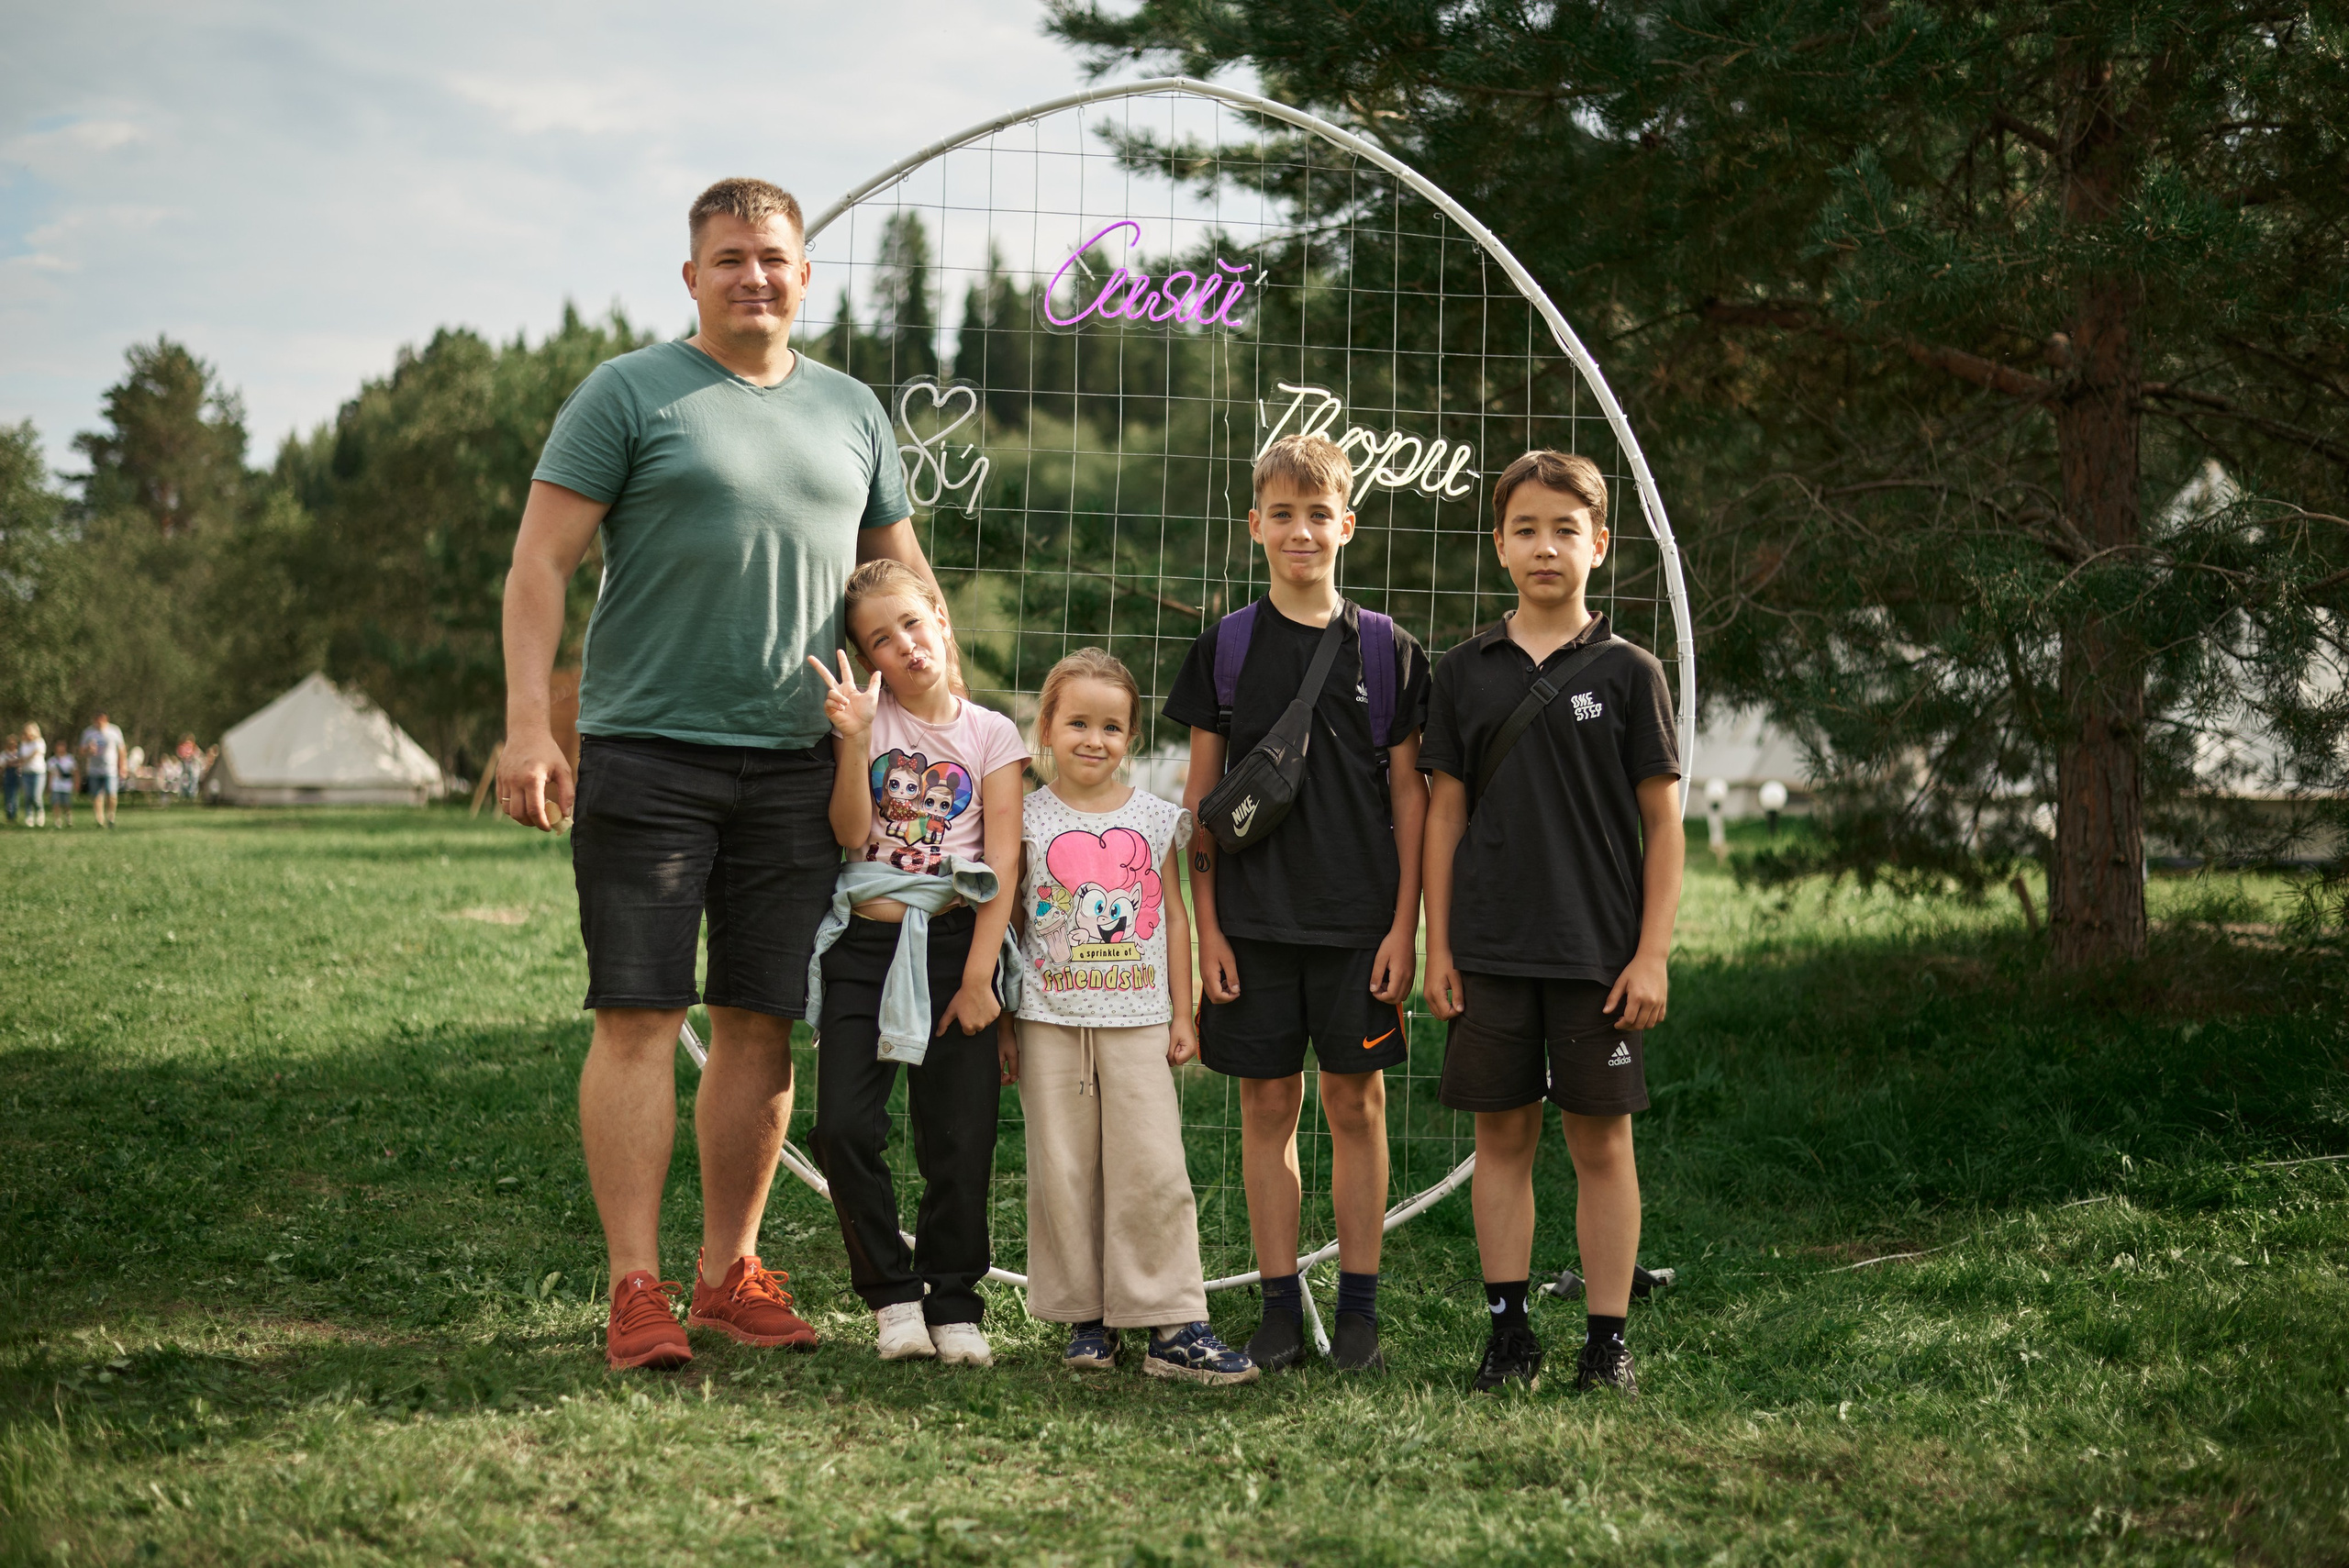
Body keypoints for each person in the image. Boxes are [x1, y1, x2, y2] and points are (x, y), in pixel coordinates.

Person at [498, 176, 937, 1372]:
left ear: (804, 275)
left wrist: (934, 736)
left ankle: (725, 1274)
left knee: (761, 1023)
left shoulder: (852, 413)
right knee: (639, 1013)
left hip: (803, 765)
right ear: (693, 276)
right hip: (648, 755)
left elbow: (908, 592)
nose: (756, 275)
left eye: (775, 258)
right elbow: (540, 564)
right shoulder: (630, 392)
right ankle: (635, 1287)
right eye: (732, 258)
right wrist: (531, 725)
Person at [1165, 432, 1431, 1373]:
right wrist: (1206, 937)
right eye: (1282, 514)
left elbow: (1410, 796)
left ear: (1346, 525)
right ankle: (1281, 1307)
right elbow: (1201, 813)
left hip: (1360, 926)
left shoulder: (1386, 650)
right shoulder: (1225, 651)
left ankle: (1357, 1308)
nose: (1301, 531)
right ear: (1254, 527)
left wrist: (1405, 926)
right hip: (1253, 926)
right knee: (1267, 1107)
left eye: (1318, 514)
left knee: (1356, 1105)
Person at [1419, 450, 1684, 1398]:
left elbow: (1663, 823)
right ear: (1499, 545)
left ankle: (1605, 1340)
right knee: (1501, 1137)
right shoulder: (1462, 673)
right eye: (1526, 528)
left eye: (1566, 529)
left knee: (1601, 1143)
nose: (1545, 546)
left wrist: (1650, 953)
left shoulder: (1629, 671)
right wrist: (1435, 945)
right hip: (1487, 947)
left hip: (1596, 954)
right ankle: (1508, 1330)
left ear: (1600, 545)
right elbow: (1443, 814)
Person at [1003, 648, 1257, 1385]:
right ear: (1046, 726)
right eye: (1077, 721)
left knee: (1152, 1169)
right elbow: (1015, 919)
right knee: (1064, 1170)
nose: (1094, 739)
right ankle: (1088, 1319)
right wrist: (1005, 1022)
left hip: (1140, 1019)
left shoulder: (1154, 819)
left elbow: (1175, 918)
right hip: (1049, 1022)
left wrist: (1185, 1012)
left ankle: (1172, 1322)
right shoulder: (1024, 815)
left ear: (1132, 738)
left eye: (1112, 726)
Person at [801, 561, 1025, 1366]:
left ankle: (955, 1298)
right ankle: (893, 1295)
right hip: (866, 949)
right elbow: (851, 833)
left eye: (911, 624)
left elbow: (1002, 862)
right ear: (868, 657)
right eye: (879, 641)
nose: (903, 646)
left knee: (959, 1138)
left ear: (941, 617)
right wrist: (854, 739)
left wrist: (979, 977)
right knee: (841, 1126)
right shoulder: (871, 720)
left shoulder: (991, 733)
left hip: (955, 948)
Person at [79, 713, 125, 828]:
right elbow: (81, 751)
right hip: (94, 770)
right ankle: (99, 820)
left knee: (112, 794)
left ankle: (111, 817)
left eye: (100, 720)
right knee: (97, 796)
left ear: (105, 719)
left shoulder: (114, 731)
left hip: (110, 769)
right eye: (95, 720)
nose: (98, 723)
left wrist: (123, 766)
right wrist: (88, 749)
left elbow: (122, 750)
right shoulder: (88, 732)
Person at [19, 725, 47, 828]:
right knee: (28, 796)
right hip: (26, 773)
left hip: (38, 773)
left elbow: (35, 753)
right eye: (27, 734)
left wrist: (25, 758)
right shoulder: (23, 744)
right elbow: (22, 757)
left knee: (36, 796)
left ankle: (40, 812)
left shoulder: (40, 742)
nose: (29, 736)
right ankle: (29, 816)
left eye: (31, 734)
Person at [47, 749, 72, 827]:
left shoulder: (70, 759)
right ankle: (57, 821)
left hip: (67, 786)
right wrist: (49, 785)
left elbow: (74, 772)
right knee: (55, 804)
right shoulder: (52, 761)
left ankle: (68, 819)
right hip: (55, 786)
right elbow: (50, 774)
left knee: (66, 804)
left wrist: (76, 784)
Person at [2, 728, 18, 824]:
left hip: (17, 776)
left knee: (15, 798)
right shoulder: (3, 754)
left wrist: (10, 763)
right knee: (8, 797)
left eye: (14, 743)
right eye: (10, 743)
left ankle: (14, 816)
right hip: (7, 777)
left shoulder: (19, 753)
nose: (12, 745)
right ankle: (9, 816)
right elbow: (3, 765)